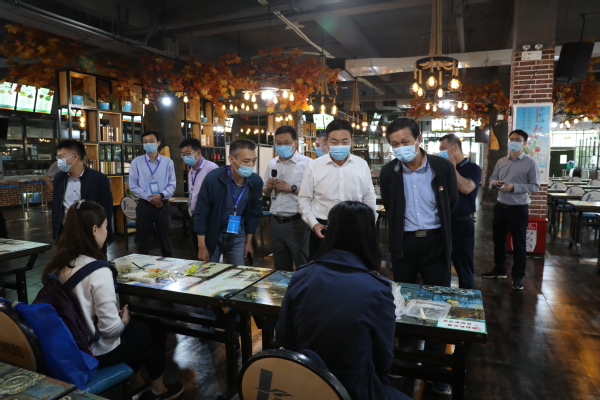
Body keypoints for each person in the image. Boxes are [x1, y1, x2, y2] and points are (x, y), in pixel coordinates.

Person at [42, 200, 183, 400]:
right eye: (106, 226)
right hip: (95, 352)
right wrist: (123, 321)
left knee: (140, 327)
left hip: (68, 346)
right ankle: (158, 389)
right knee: (154, 328)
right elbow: (110, 330)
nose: (107, 232)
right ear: (94, 229)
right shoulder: (98, 270)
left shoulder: (59, 264)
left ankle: (138, 383)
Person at [276, 201, 411, 400]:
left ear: (330, 231)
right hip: (354, 388)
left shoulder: (301, 276)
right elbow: (383, 362)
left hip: (305, 382)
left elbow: (284, 337)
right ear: (369, 236)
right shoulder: (378, 289)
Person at [380, 118, 458, 396]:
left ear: (418, 139)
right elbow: (390, 206)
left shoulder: (441, 167)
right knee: (404, 302)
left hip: (436, 242)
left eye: (405, 141)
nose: (401, 147)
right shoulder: (389, 172)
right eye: (395, 144)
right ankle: (406, 359)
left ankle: (436, 368)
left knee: (438, 302)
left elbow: (451, 204)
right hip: (404, 244)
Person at [298, 119, 376, 259]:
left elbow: (369, 198)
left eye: (345, 142)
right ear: (327, 141)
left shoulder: (361, 165)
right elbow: (304, 199)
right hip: (323, 229)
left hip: (355, 228)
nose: (339, 146)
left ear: (352, 140)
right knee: (321, 268)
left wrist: (368, 226)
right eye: (334, 142)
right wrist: (314, 224)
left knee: (354, 267)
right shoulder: (314, 166)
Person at [483, 129, 540, 290]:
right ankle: (499, 270)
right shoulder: (501, 161)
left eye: (518, 140)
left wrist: (514, 187)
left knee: (519, 245)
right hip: (501, 207)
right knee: (498, 241)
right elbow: (492, 178)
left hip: (518, 209)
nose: (514, 142)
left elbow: (535, 186)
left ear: (524, 143)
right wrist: (494, 183)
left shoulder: (530, 163)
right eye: (512, 139)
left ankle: (518, 277)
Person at [194, 139, 263, 265]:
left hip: (238, 233)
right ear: (231, 159)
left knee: (238, 272)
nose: (251, 165)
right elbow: (201, 212)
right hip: (214, 232)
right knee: (209, 270)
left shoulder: (255, 181)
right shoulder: (214, 179)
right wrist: (201, 246)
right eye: (246, 161)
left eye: (254, 160)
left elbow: (254, 214)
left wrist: (249, 242)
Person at [262, 126, 311, 271]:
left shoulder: (307, 164)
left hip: (298, 222)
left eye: (287, 142)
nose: (282, 146)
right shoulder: (272, 163)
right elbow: (265, 192)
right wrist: (268, 187)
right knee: (280, 266)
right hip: (275, 221)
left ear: (295, 142)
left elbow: (314, 192)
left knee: (303, 264)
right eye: (279, 143)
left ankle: (303, 286)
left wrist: (291, 187)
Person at [439, 134, 482, 289]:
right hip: (441, 224)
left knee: (464, 266)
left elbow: (465, 188)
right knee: (441, 266)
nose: (441, 152)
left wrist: (452, 168)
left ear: (455, 147)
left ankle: (467, 299)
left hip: (462, 224)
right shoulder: (441, 168)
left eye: (443, 148)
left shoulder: (473, 168)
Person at [52, 140, 114, 246]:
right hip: (66, 232)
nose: (59, 161)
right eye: (57, 157)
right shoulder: (59, 178)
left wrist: (106, 235)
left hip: (91, 233)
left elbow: (106, 207)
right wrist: (56, 234)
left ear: (75, 157)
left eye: (61, 157)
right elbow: (56, 207)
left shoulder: (98, 178)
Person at [129, 131, 176, 257]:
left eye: (151, 141)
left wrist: (160, 196)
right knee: (143, 241)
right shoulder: (136, 162)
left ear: (158, 143)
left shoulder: (168, 162)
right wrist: (149, 198)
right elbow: (133, 185)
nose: (148, 144)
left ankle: (169, 264)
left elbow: (172, 185)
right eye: (145, 142)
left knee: (166, 240)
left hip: (162, 204)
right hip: (144, 205)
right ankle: (142, 265)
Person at [179, 138, 219, 256]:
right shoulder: (191, 170)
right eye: (183, 154)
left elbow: (217, 194)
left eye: (188, 153)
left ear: (199, 152)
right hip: (194, 214)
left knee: (209, 248)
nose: (185, 157)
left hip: (208, 215)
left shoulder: (211, 168)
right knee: (197, 249)